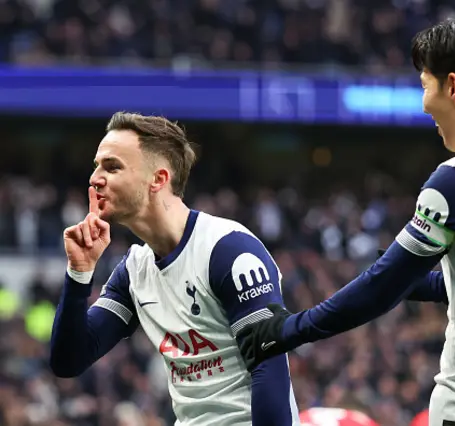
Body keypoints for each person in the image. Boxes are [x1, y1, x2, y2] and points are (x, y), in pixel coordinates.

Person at [237, 18, 455, 426]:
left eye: (425, 86)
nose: (423, 104)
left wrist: (290, 329)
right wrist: (424, 284)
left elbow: (381, 286)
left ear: (453, 86)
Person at [49, 112, 300, 426]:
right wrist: (79, 272)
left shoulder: (229, 250)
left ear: (158, 179)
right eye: (97, 166)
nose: (95, 178)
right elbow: (69, 361)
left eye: (112, 167)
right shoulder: (134, 271)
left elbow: (269, 369)